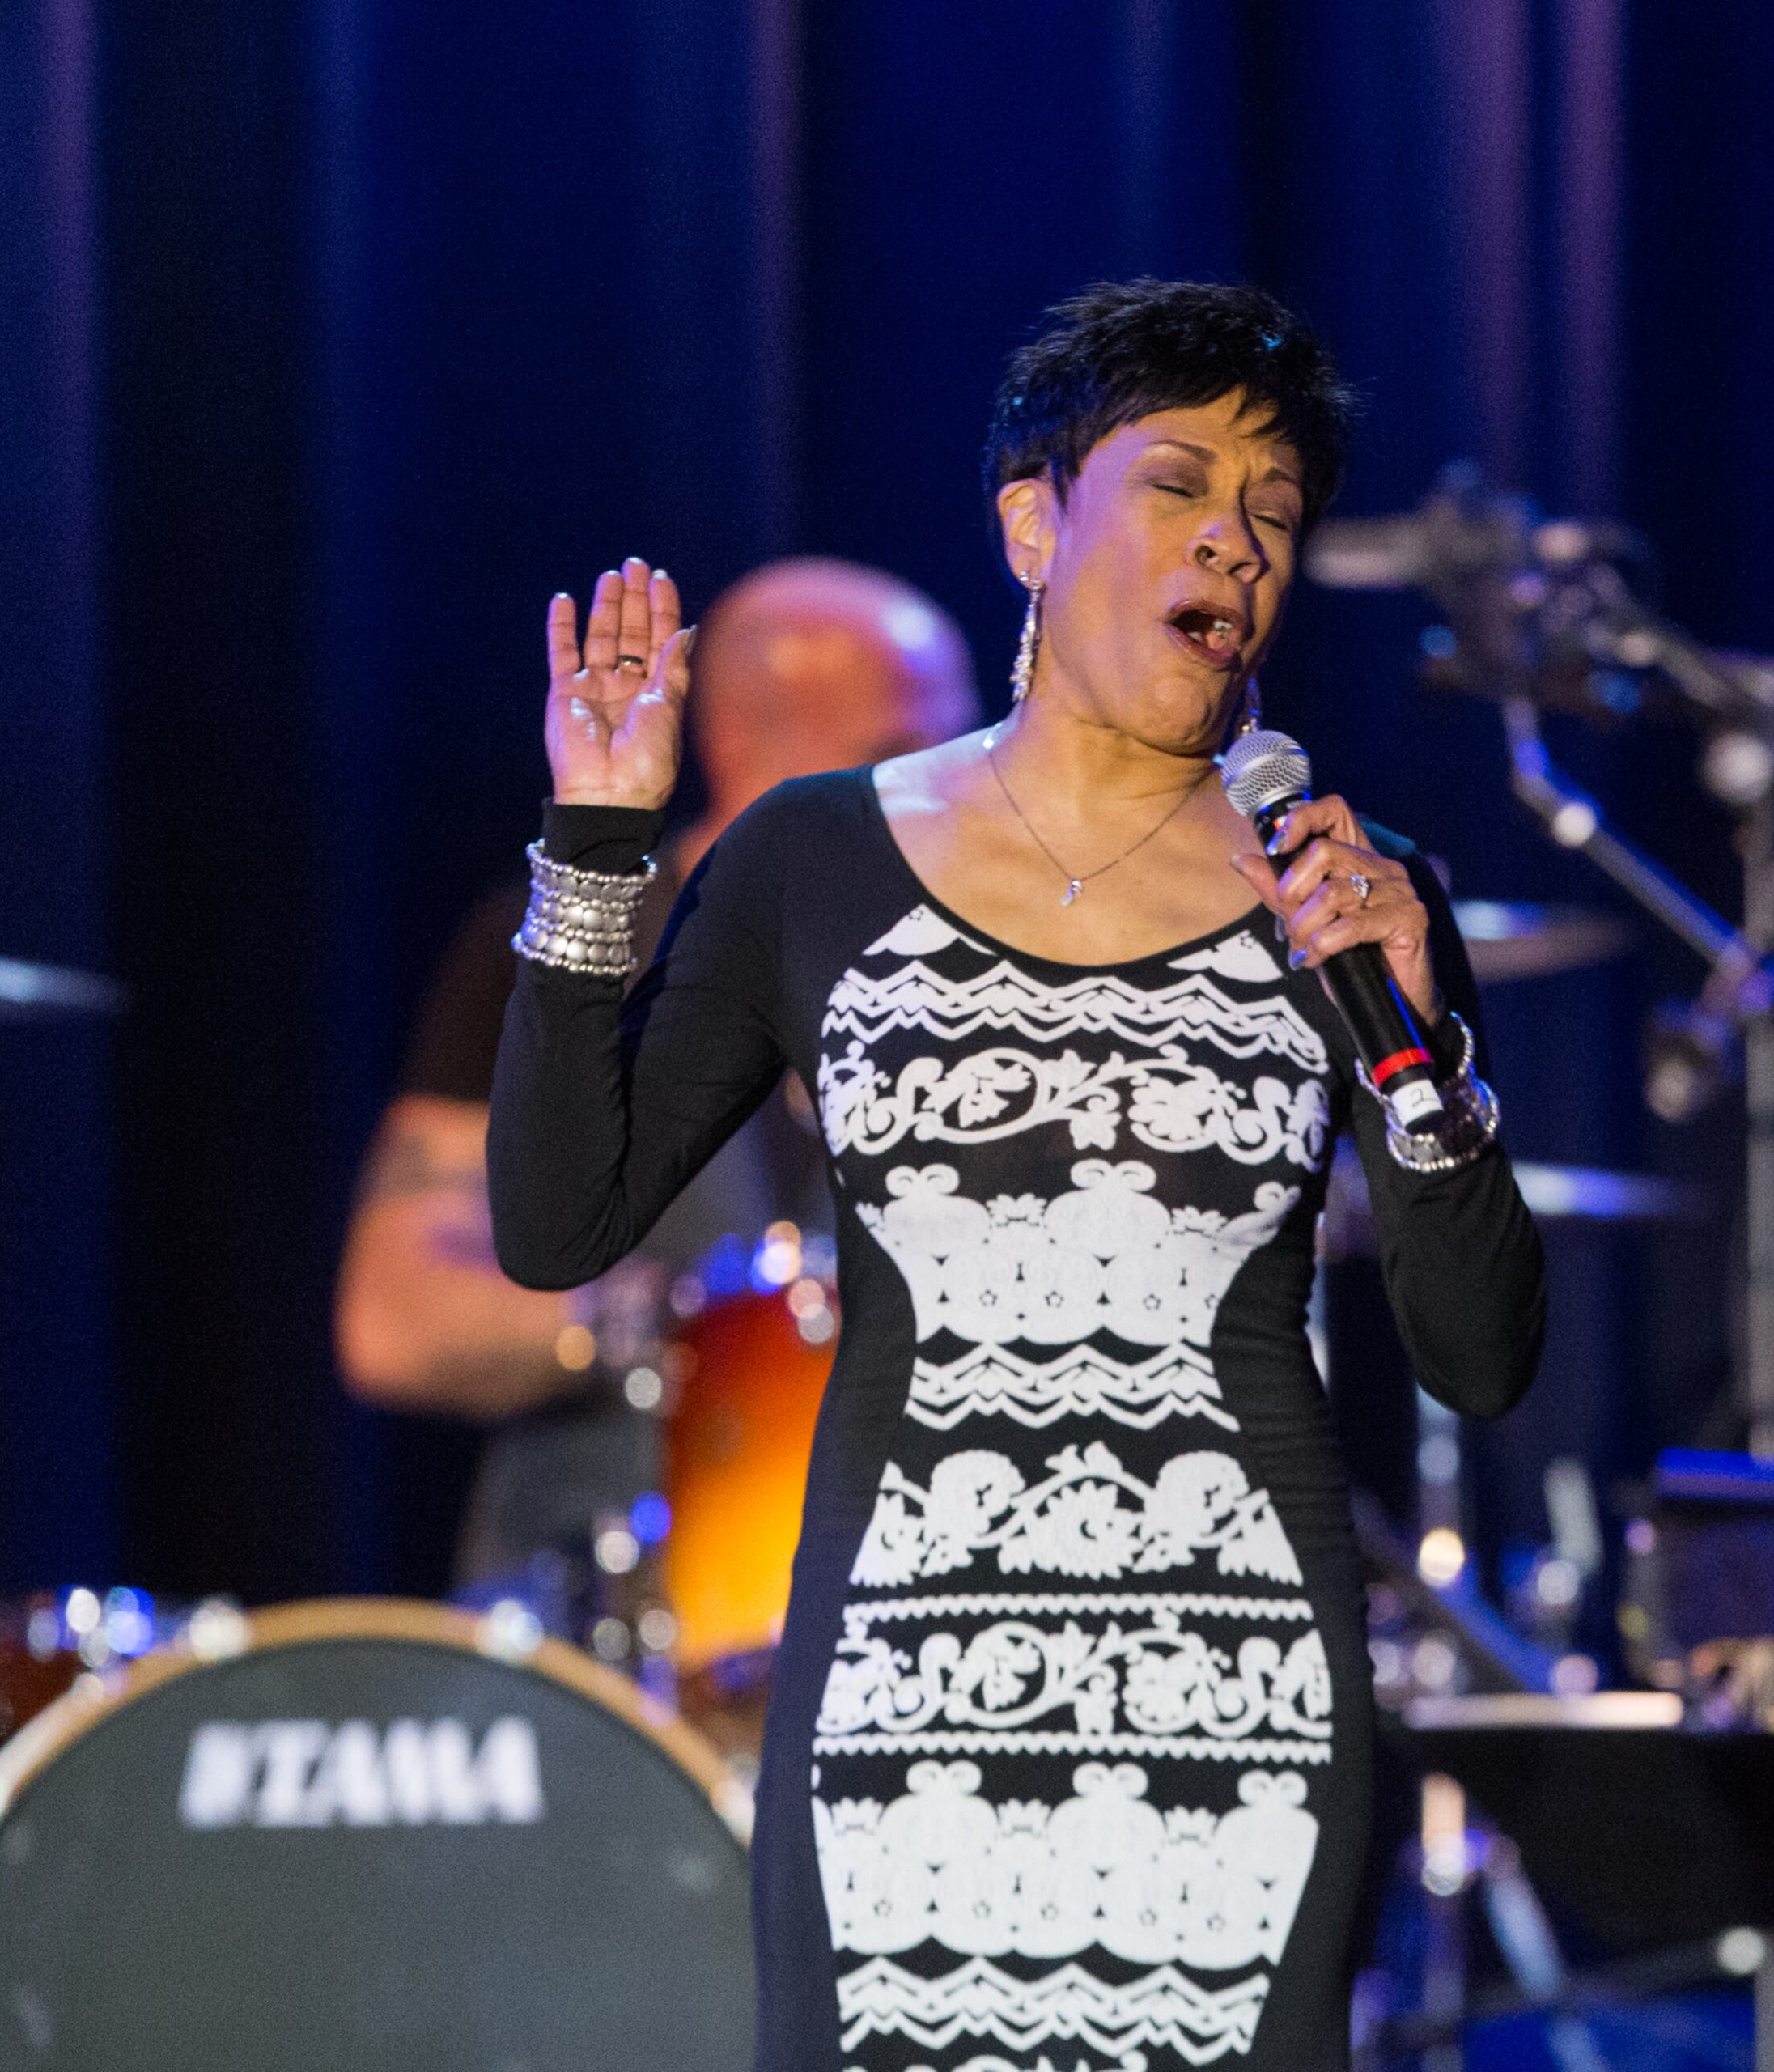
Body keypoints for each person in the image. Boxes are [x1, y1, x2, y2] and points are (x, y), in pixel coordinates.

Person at [485, 280, 1547, 2071]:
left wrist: (1420, 1051)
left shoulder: (1352, 895)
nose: (1234, 536)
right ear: (1034, 523)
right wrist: (597, 836)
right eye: (1182, 482)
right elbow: (555, 1217)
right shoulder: (817, 857)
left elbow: (1482, 1354)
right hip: (906, 1695)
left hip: (1245, 1697)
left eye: (1274, 509)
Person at [337, 558, 977, 1605]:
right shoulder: (566, 950)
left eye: (962, 751)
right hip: (604, 1599)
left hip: (923, 1591)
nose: (947, 787)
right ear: (737, 746)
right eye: (900, 753)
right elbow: (394, 1319)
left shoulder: (983, 967)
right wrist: (669, 1324)